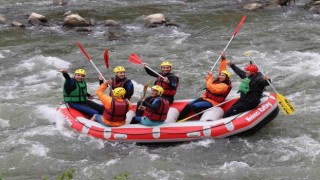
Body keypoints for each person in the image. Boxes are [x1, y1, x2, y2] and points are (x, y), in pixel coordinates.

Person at [178, 52, 232, 120]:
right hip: (205, 98)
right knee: (189, 105)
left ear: (226, 78)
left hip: (213, 102)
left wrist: (209, 77)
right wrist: (223, 58)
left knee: (195, 106)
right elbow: (222, 69)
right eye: (220, 75)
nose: (220, 76)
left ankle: (203, 118)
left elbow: (211, 87)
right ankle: (178, 120)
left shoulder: (224, 86)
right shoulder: (220, 79)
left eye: (223, 75)